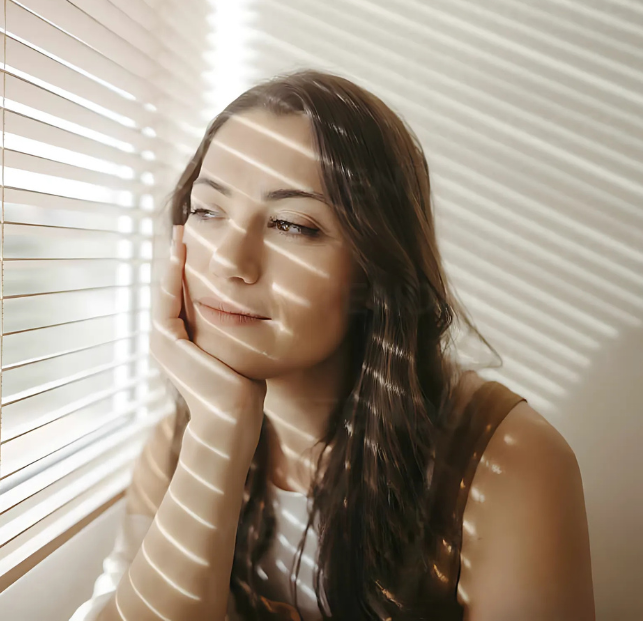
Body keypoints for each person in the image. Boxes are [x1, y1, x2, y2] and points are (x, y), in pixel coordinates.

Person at [71, 70, 595, 620]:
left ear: (374, 269)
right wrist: (219, 434)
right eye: (206, 211)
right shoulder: (180, 446)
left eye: (291, 225)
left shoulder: (505, 464)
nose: (228, 260)